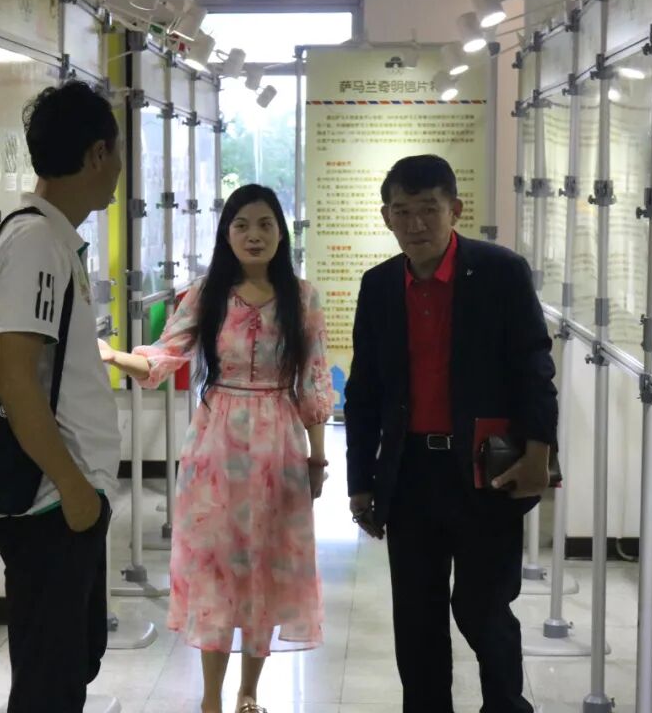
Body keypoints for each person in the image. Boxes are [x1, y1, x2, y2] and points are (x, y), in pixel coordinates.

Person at [99, 184, 332, 713]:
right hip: (215, 446)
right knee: (215, 568)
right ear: (226, 234)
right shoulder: (207, 294)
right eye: (242, 225)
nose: (254, 235)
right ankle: (211, 698)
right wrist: (113, 357)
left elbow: (314, 381)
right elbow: (164, 357)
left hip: (279, 445)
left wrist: (316, 459)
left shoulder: (304, 297)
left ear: (281, 233)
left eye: (265, 224)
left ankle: (249, 692)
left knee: (266, 565)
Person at [344, 155, 557, 713]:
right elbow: (363, 392)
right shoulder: (379, 286)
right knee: (417, 621)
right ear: (386, 217)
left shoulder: (501, 272)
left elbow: (534, 367)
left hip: (486, 470)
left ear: (455, 210)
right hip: (411, 474)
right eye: (402, 211)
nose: (415, 224)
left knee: (483, 610)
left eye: (429, 210)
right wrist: (360, 482)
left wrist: (539, 452)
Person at [0, 81, 123, 713]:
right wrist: (73, 489)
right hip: (50, 505)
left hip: (64, 499)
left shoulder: (53, 239)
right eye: (117, 152)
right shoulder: (37, 243)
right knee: (49, 686)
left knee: (69, 668)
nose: (119, 169)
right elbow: (15, 379)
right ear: (97, 155)